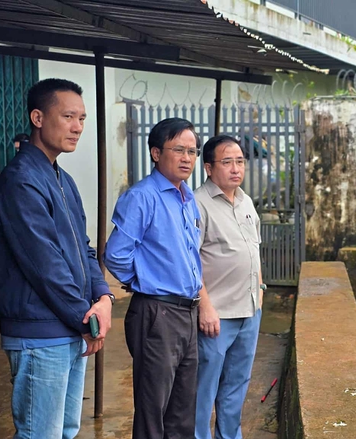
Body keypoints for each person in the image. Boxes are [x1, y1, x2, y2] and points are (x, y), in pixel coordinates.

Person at [0, 78, 114, 439]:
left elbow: (84, 249)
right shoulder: (21, 181)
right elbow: (45, 265)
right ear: (38, 117)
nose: (77, 127)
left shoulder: (63, 180)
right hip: (39, 332)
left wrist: (103, 298)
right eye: (69, 116)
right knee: (39, 434)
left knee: (65, 431)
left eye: (83, 119)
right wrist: (84, 318)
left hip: (69, 328)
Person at [104, 117, 203, 439]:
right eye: (179, 150)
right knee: (153, 410)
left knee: (182, 410)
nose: (187, 158)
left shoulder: (187, 197)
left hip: (188, 311)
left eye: (192, 151)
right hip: (157, 312)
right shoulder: (142, 197)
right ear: (156, 153)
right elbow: (116, 255)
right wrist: (145, 282)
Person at [194, 135, 264, 439]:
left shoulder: (245, 200)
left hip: (250, 310)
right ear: (209, 167)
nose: (236, 168)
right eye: (227, 162)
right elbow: (190, 260)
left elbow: (254, 248)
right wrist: (204, 305)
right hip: (216, 316)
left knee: (237, 386)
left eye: (240, 161)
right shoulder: (197, 204)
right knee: (202, 389)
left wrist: (260, 287)